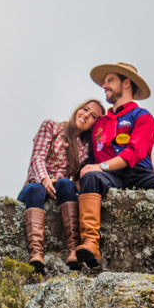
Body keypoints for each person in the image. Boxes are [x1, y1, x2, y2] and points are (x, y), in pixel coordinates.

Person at [74, 62, 154, 274]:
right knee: (90, 178)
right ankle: (90, 245)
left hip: (139, 174)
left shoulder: (143, 117)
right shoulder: (100, 123)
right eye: (104, 81)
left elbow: (134, 153)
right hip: (110, 177)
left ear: (126, 83)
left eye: (110, 80)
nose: (104, 85)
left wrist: (101, 166)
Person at [18, 99, 105, 272]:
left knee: (66, 184)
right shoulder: (51, 127)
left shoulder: (86, 148)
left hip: (61, 189)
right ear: (78, 109)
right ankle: (36, 253)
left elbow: (82, 175)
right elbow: (38, 157)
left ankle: (73, 250)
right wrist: (45, 179)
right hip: (36, 184)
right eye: (85, 109)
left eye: (93, 116)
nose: (86, 115)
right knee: (35, 189)